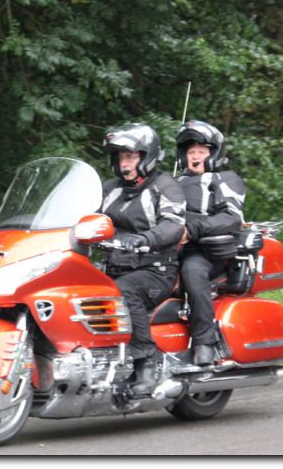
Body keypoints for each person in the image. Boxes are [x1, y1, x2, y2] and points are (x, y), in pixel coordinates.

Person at [101, 123, 186, 394]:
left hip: (156, 270)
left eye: (131, 157)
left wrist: (144, 239)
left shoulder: (165, 186)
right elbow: (80, 217)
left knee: (123, 291)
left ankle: (147, 359)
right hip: (114, 265)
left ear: (146, 156)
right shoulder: (110, 189)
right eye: (121, 158)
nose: (124, 164)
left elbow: (174, 224)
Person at [175, 120, 246, 366]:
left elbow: (232, 218)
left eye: (201, 152)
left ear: (214, 154)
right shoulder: (172, 182)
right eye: (191, 152)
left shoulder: (224, 179)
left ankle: (205, 341)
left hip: (206, 250)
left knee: (192, 272)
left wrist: (192, 229)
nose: (195, 157)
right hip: (168, 248)